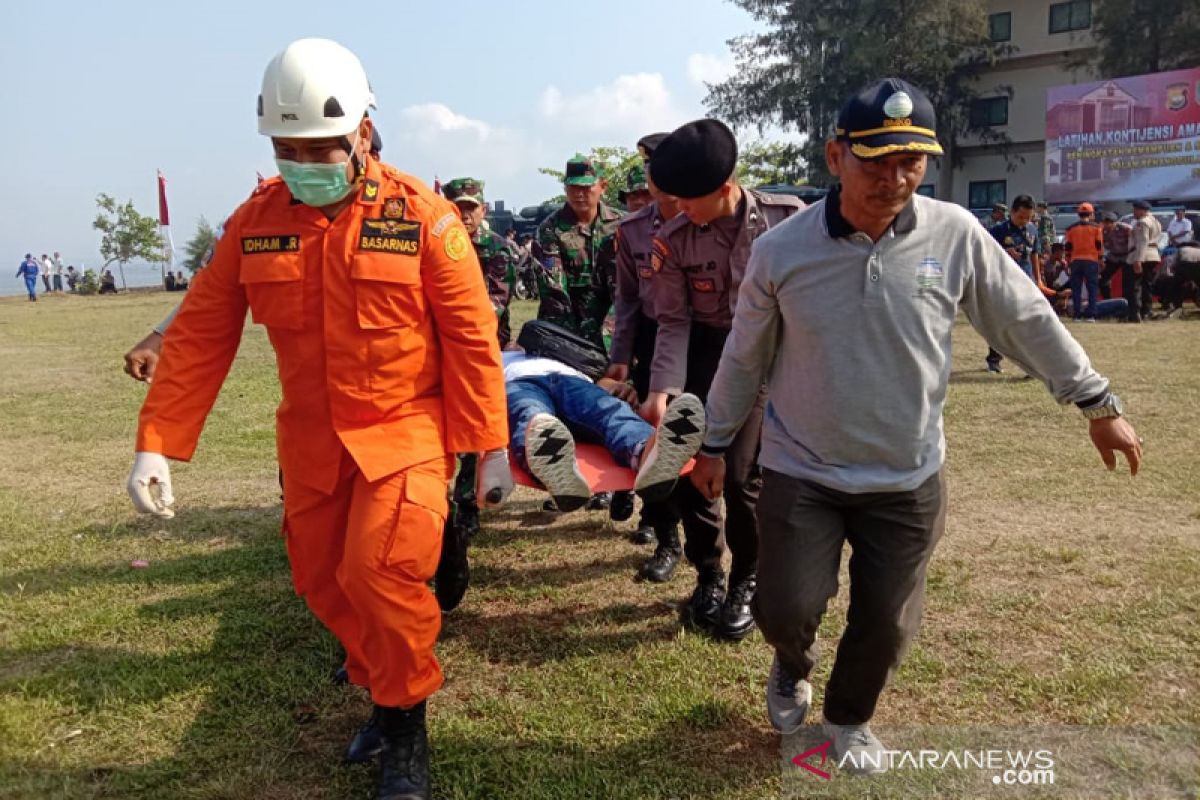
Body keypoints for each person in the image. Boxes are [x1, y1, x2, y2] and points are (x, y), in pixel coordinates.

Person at [689, 77, 1142, 774]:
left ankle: (846, 721)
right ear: (835, 156)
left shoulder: (955, 233)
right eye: (875, 161)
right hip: (802, 468)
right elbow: (743, 356)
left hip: (907, 474)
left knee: (889, 625)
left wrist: (1096, 402)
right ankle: (791, 660)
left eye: (912, 162)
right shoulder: (783, 251)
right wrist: (715, 442)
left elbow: (1022, 319)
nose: (894, 180)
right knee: (786, 605)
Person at [123, 39, 509, 800]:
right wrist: (157, 443)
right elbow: (201, 329)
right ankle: (381, 688)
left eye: (319, 146)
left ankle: (405, 729)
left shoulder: (424, 221)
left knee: (378, 572)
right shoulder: (257, 223)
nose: (303, 160)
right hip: (313, 445)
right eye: (286, 147)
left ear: (363, 131)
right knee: (325, 582)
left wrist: (488, 448)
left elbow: (472, 338)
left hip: (407, 434)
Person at [644, 119, 805, 641]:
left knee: (739, 477)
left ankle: (747, 578)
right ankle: (709, 574)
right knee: (693, 468)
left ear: (725, 188)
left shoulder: (789, 220)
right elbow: (673, 320)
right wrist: (662, 390)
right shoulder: (671, 240)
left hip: (771, 355)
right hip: (706, 353)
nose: (678, 209)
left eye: (690, 200)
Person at [435, 176, 522, 612]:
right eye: (457, 205)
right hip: (437, 357)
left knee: (475, 429)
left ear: (483, 210)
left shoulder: (499, 252)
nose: (464, 214)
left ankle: (467, 505)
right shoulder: (429, 243)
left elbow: (492, 307)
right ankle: (442, 513)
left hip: (484, 353)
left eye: (471, 206)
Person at [607, 132, 683, 570]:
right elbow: (628, 301)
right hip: (653, 343)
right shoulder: (633, 230)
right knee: (655, 439)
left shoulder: (701, 218)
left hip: (705, 342)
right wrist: (621, 357)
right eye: (653, 169)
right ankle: (666, 539)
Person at [504, 347, 705, 510]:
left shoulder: (560, 350)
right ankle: (555, 470)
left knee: (611, 410)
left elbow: (604, 378)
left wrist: (612, 385)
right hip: (519, 382)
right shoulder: (499, 356)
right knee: (531, 415)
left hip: (573, 379)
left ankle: (648, 453)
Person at [532, 156, 622, 347]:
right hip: (568, 328)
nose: (579, 194)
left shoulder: (623, 225)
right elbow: (554, 292)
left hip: (620, 327)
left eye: (586, 188)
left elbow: (628, 287)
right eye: (573, 188)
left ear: (603, 187)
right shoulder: (550, 229)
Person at [985, 195, 1041, 372]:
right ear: (1012, 212)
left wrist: (1038, 280)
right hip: (1003, 282)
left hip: (1026, 281)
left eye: (1028, 217)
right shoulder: (999, 230)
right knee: (1000, 323)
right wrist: (1004, 251)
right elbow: (985, 253)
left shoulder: (1032, 230)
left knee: (1027, 324)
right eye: (1021, 217)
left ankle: (1029, 364)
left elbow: (1035, 255)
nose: (1025, 221)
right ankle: (994, 359)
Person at [1125, 199, 1163, 323]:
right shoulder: (1155, 221)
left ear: (1141, 210)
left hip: (1142, 255)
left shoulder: (1142, 222)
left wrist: (1138, 260)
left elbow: (1143, 241)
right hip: (1153, 255)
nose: (1133, 212)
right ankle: (1147, 311)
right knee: (1147, 285)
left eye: (1135, 210)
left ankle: (1135, 314)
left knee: (1135, 286)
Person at [1064, 202, 1103, 320]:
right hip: (1091, 261)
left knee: (1076, 289)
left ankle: (1077, 315)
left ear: (1078, 214)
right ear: (1091, 214)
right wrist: (1101, 260)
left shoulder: (1071, 229)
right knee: (1092, 288)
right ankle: (1091, 315)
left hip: (1075, 261)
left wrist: (1067, 261)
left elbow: (1068, 247)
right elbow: (1099, 246)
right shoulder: (1097, 228)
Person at [1100, 211, 1132, 299]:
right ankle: (1108, 301)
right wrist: (1101, 259)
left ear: (1115, 222)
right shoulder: (1102, 231)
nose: (1107, 225)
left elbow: (1134, 243)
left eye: (1109, 223)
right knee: (1103, 278)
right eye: (1105, 223)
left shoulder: (1126, 229)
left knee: (1127, 281)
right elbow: (1101, 246)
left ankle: (1126, 303)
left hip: (1127, 256)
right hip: (1113, 256)